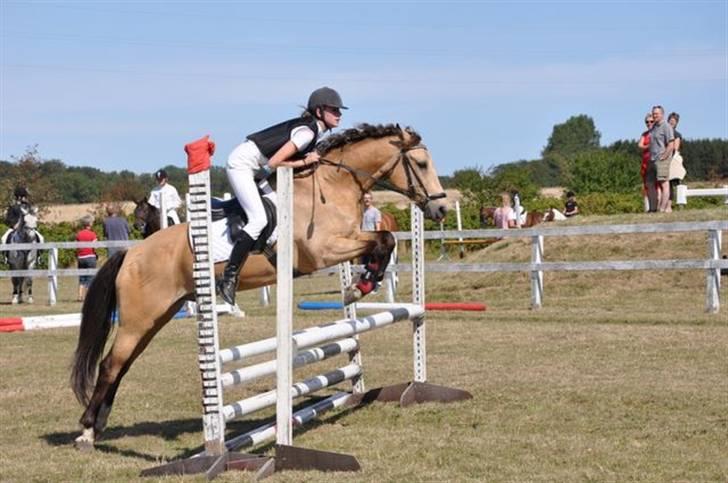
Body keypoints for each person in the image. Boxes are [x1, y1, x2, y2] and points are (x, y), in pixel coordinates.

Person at [217, 86, 346, 305]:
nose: (339, 114)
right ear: (319, 111)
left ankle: (276, 261)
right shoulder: (307, 133)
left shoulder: (312, 131)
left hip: (255, 167)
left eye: (339, 110)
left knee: (281, 211)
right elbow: (275, 163)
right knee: (259, 219)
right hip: (242, 165)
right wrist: (306, 161)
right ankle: (229, 277)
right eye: (334, 110)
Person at [648, 105, 675, 213]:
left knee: (664, 183)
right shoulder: (654, 127)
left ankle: (663, 209)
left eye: (657, 113)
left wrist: (665, 155)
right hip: (653, 159)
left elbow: (671, 143)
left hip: (662, 159)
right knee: (650, 183)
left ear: (662, 114)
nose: (655, 115)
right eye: (653, 113)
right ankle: (653, 208)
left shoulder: (666, 126)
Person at [75, 215, 98, 302]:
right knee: (90, 277)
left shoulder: (79, 234)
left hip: (81, 257)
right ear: (90, 224)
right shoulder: (93, 234)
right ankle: (88, 296)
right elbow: (95, 246)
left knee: (82, 278)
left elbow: (77, 246)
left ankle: (80, 296)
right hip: (90, 257)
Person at [667, 112, 686, 208]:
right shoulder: (665, 131)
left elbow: (675, 148)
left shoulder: (676, 134)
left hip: (672, 160)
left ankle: (675, 205)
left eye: (674, 121)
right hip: (665, 159)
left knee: (673, 184)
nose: (672, 122)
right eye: (671, 120)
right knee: (667, 184)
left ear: (677, 123)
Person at [637, 113, 655, 212]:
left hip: (655, 161)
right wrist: (648, 146)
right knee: (646, 185)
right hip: (646, 162)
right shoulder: (645, 134)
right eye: (647, 122)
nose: (649, 123)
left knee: (657, 185)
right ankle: (648, 207)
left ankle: (658, 206)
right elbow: (640, 145)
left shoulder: (657, 132)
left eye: (651, 121)